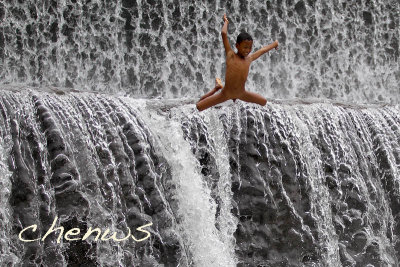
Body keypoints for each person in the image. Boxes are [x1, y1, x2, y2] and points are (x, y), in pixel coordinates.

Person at [196, 14, 279, 111]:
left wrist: (275, 44)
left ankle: (220, 89)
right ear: (237, 46)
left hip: (242, 93)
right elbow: (223, 33)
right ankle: (216, 88)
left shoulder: (249, 58)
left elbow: (263, 50)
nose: (247, 50)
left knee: (264, 101)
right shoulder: (230, 55)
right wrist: (226, 22)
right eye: (245, 47)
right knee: (199, 106)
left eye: (249, 48)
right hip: (225, 94)